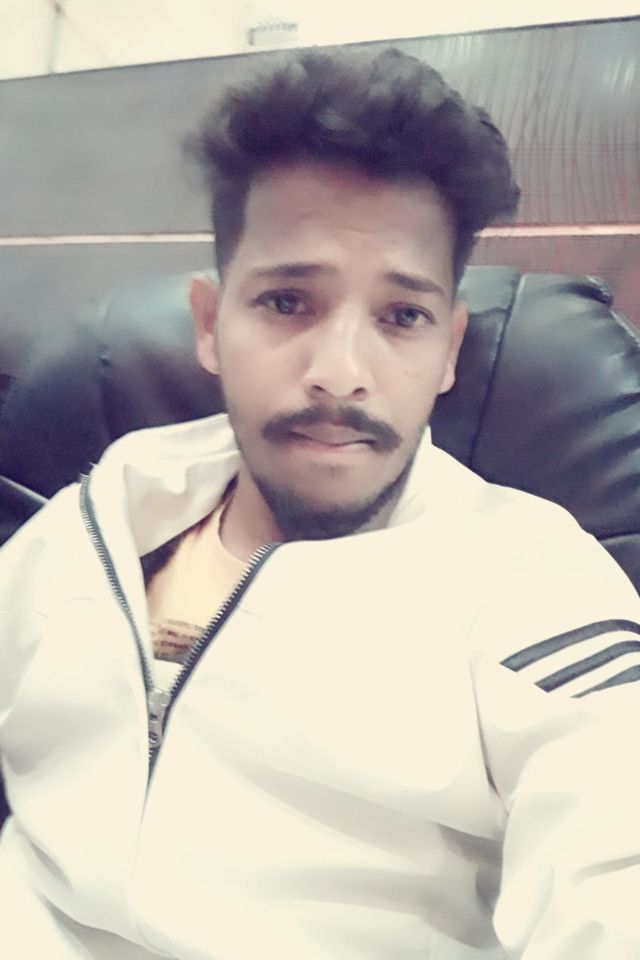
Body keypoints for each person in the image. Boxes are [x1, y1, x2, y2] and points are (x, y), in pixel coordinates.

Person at [0, 46, 639, 960]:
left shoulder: (528, 580)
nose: (340, 373)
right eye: (288, 301)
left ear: (449, 350)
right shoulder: (113, 500)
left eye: (402, 316)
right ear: (210, 326)